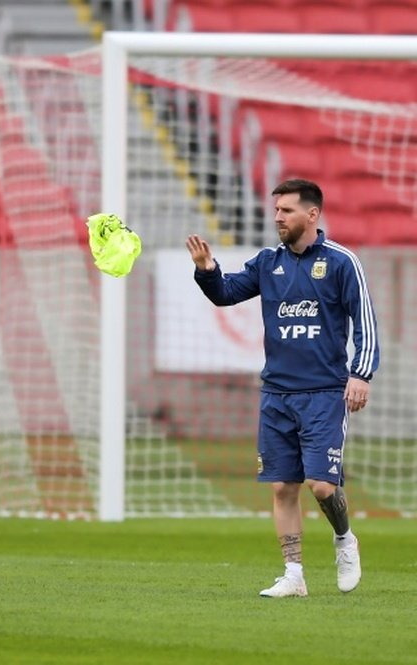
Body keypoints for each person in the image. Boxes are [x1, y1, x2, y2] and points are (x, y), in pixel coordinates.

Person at [185, 178, 378, 598]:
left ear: (312, 215)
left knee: (322, 485)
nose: (277, 217)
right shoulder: (267, 262)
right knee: (281, 486)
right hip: (277, 394)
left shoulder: (342, 262)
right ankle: (294, 575)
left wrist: (360, 374)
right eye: (275, 210)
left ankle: (345, 539)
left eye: (286, 210)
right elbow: (227, 294)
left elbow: (365, 322)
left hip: (325, 392)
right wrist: (207, 271)